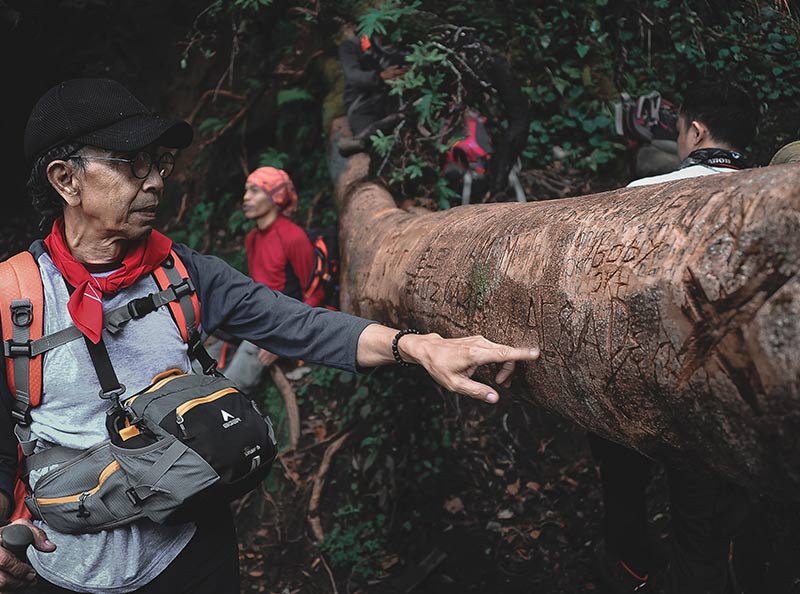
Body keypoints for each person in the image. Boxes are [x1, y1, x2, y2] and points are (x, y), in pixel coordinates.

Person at [0, 77, 540, 593]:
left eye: (159, 162)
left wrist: (417, 345)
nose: (156, 180)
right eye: (131, 162)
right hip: (64, 567)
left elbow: (297, 323)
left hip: (192, 550)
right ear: (65, 180)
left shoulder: (182, 274)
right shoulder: (13, 297)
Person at [591, 80, 759, 594]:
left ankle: (632, 566)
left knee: (624, 484)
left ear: (697, 131)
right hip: (730, 394)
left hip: (640, 384)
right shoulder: (770, 193)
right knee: (702, 528)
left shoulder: (640, 195)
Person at [218, 166, 322, 394]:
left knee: (229, 386)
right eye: (246, 190)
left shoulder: (293, 237)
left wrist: (283, 339)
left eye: (255, 190)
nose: (246, 197)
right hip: (255, 316)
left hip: (281, 322)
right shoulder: (252, 238)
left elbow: (314, 294)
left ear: (276, 196)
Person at [337, 27, 409, 157]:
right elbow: (353, 75)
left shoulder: (400, 42)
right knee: (376, 147)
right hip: (364, 105)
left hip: (395, 101)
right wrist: (380, 76)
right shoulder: (351, 47)